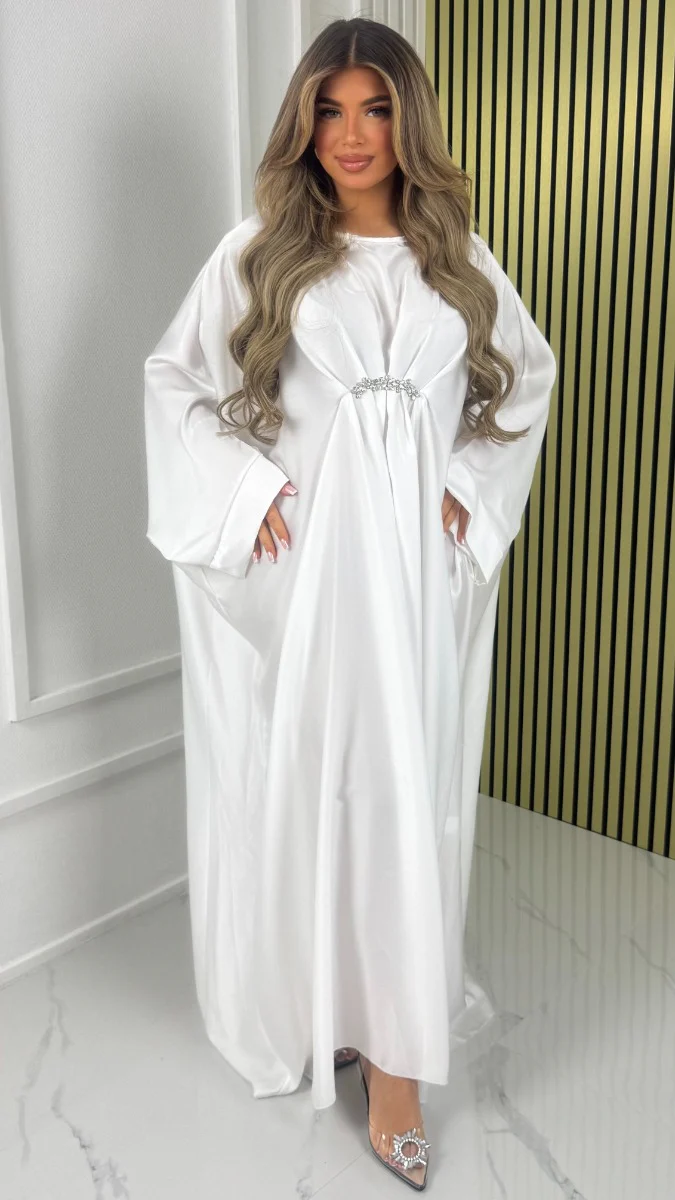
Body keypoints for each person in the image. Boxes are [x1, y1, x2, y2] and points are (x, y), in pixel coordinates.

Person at [143, 16, 557, 1192]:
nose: (352, 134)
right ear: (303, 122)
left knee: (403, 795)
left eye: (376, 108)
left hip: (414, 587)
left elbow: (527, 377)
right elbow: (175, 381)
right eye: (329, 110)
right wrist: (249, 490)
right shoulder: (261, 251)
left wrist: (467, 492)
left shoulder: (456, 261)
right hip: (314, 585)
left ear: (407, 120)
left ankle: (397, 1063)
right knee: (316, 787)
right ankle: (323, 1004)